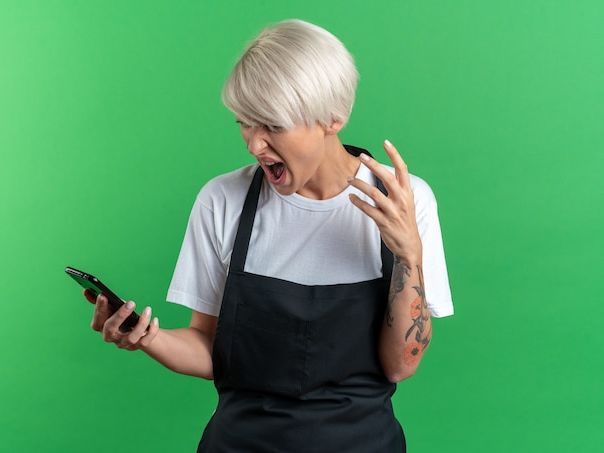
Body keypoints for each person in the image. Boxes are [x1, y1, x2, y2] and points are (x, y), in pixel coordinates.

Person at [84, 19, 453, 452]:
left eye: (272, 125)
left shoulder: (405, 201)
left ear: (334, 118)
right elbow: (209, 347)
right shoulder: (222, 201)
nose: (254, 144)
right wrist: (148, 338)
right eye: (245, 122)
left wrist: (408, 256)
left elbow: (399, 366)